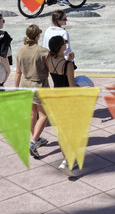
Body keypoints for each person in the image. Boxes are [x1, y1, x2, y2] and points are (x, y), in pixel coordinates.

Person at [13, 25, 50, 159]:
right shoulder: (43, 52)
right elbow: (50, 69)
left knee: (32, 114)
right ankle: (33, 142)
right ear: (37, 36)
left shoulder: (20, 50)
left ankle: (36, 137)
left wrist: (16, 89)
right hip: (39, 85)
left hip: (25, 84)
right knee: (44, 116)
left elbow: (18, 72)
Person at [46, 35, 78, 176]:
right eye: (64, 44)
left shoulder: (49, 60)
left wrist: (69, 60)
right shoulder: (67, 65)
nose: (66, 45)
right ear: (61, 47)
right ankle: (66, 162)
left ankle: (68, 158)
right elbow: (71, 86)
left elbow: (59, 75)